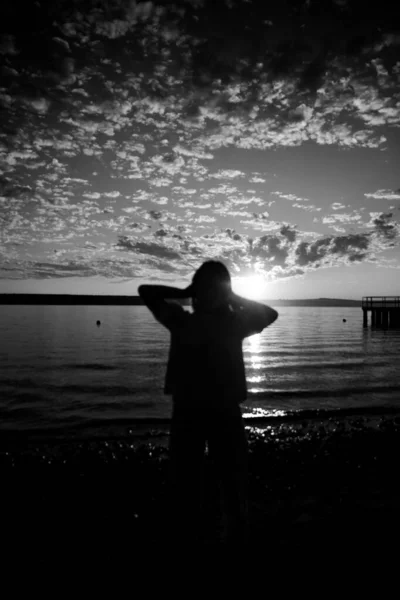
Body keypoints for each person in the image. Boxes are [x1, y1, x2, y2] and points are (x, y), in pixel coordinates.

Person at [138, 261, 278, 552]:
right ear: (197, 289)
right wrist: (185, 292)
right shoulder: (181, 319)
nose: (209, 293)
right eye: (204, 286)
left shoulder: (234, 322)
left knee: (233, 482)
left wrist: (233, 297)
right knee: (185, 482)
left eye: (216, 287)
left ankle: (235, 539)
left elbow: (269, 314)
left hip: (225, 411)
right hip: (187, 411)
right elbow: (146, 291)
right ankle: (189, 539)